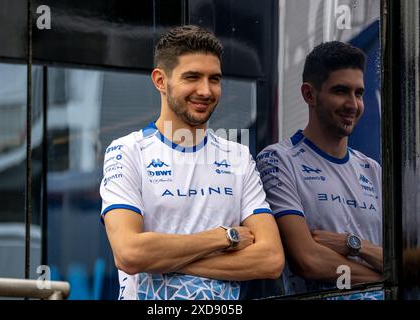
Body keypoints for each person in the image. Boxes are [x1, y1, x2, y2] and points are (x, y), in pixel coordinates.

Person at [99, 25, 284, 300]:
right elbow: (129, 253)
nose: (206, 91)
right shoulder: (127, 151)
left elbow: (271, 259)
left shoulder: (238, 157)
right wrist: (225, 237)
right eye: (193, 77)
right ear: (161, 81)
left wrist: (162, 260)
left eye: (215, 79)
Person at [257, 41, 383, 299]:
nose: (352, 104)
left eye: (358, 93)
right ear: (309, 94)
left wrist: (355, 245)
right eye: (340, 91)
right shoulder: (278, 160)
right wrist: (386, 276)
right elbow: (308, 260)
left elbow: (409, 263)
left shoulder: (374, 171)